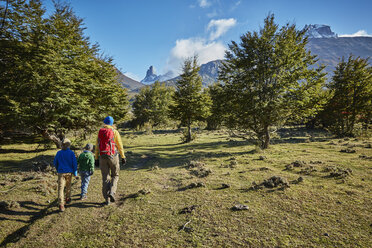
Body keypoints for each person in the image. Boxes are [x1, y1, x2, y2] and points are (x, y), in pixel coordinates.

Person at [95, 116, 126, 205]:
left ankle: (106, 200)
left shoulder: (100, 132)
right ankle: (112, 192)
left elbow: (97, 146)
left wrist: (96, 158)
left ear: (104, 123)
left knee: (105, 177)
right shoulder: (114, 132)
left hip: (102, 157)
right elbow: (119, 145)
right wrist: (123, 157)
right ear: (112, 123)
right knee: (115, 175)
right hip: (113, 156)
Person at [53, 138, 78, 212]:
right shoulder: (71, 153)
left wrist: (58, 169)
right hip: (69, 172)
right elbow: (74, 164)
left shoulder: (59, 153)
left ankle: (61, 204)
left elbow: (55, 163)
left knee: (60, 188)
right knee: (68, 186)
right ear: (68, 145)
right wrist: (75, 173)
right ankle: (68, 198)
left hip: (61, 172)